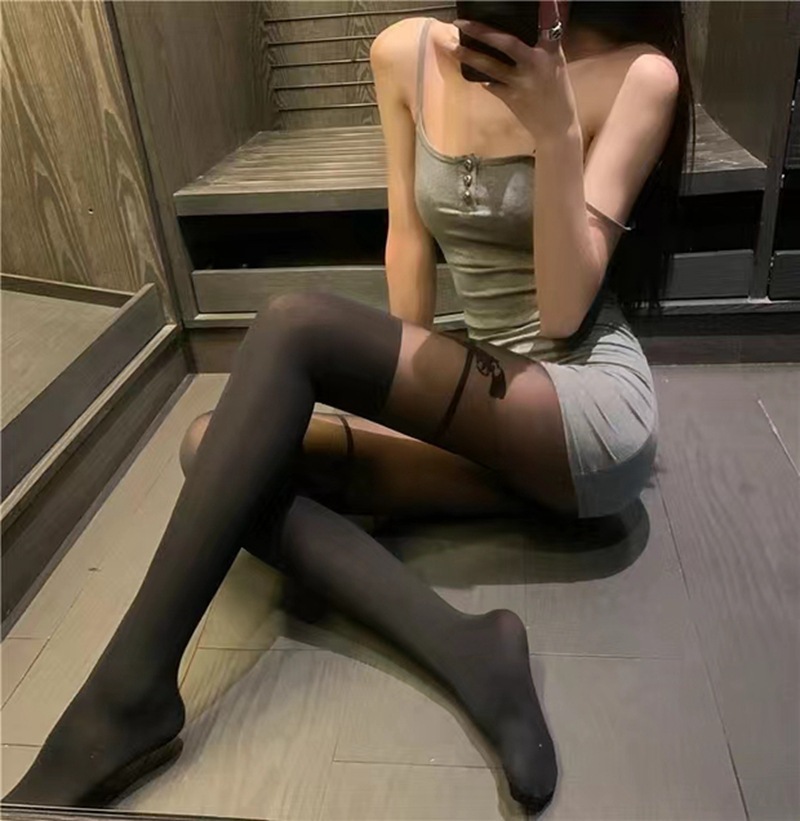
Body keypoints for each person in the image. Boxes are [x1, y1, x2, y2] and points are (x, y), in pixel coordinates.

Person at [5, 0, 694, 813]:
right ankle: (470, 650)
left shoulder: (640, 75)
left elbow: (562, 312)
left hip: (582, 407)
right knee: (219, 450)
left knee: (294, 327)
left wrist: (556, 129)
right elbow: (408, 239)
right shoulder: (404, 54)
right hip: (486, 407)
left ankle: (125, 699)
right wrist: (396, 407)